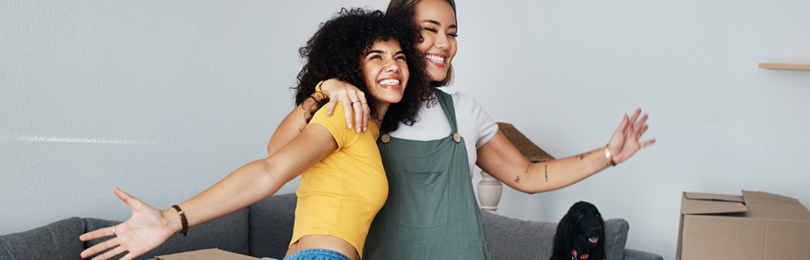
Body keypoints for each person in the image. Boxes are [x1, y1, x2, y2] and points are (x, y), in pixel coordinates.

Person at [266, 0, 656, 259]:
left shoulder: (464, 112)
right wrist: (325, 89)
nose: (444, 44)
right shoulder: (361, 111)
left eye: (451, 33)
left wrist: (608, 155)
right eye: (430, 30)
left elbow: (530, 174)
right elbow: (278, 154)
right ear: (398, 34)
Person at [79, 8, 428, 260]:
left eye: (399, 56)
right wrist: (171, 219)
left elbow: (278, 146)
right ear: (351, 66)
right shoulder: (343, 117)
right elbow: (271, 168)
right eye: (375, 56)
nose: (392, 65)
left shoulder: (366, 128)